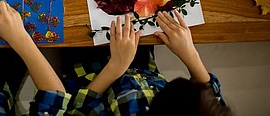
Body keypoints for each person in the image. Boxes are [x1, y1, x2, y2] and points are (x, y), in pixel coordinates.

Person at [47, 11, 233, 115]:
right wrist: (190, 54)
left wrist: (116, 66)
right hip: (141, 63)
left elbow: (76, 111)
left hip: (91, 73)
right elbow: (212, 95)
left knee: (73, 17)